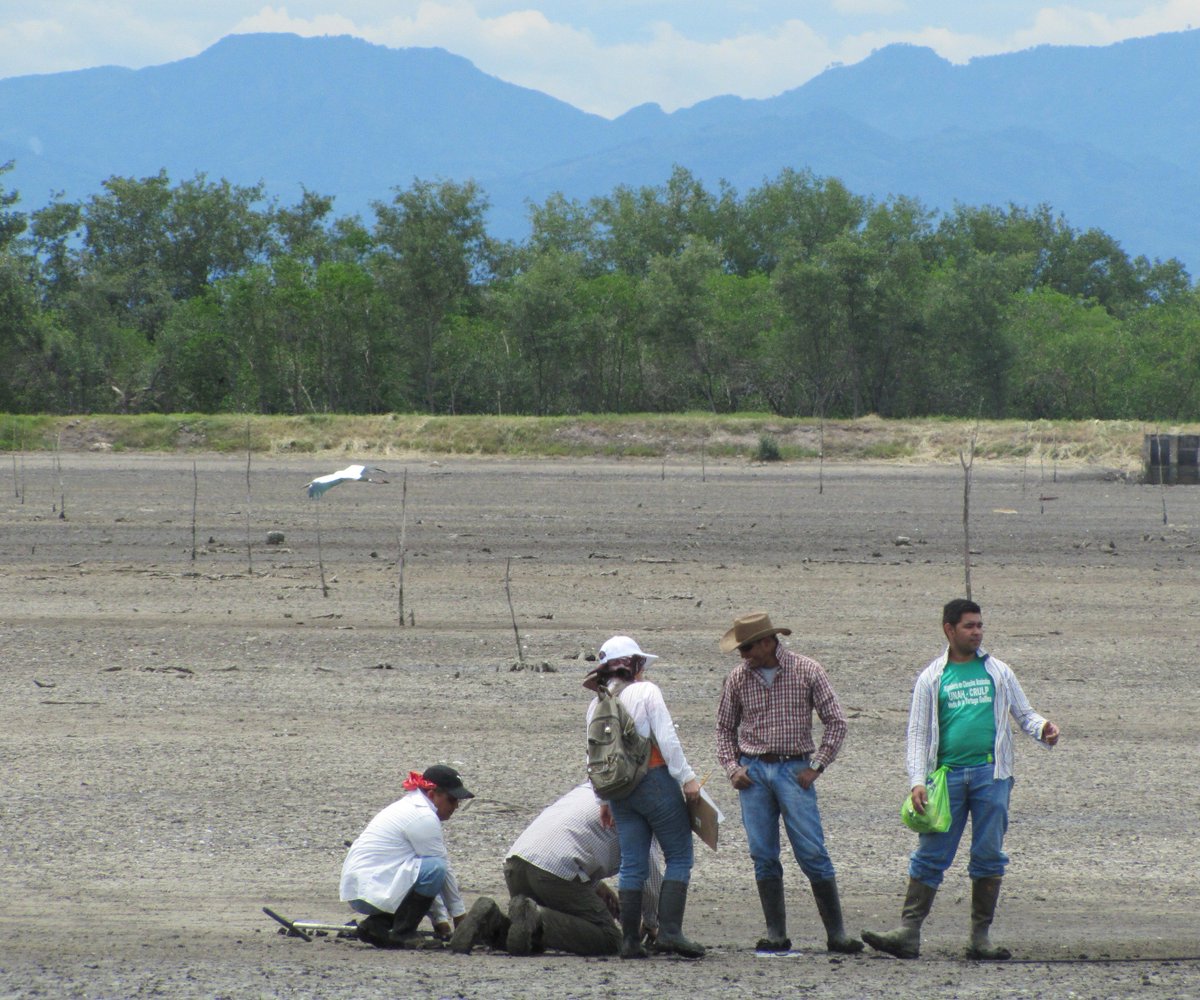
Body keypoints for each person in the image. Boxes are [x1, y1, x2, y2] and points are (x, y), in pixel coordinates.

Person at [862, 598, 1060, 961]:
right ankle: (908, 932)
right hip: (946, 778)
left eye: (980, 625)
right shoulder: (932, 677)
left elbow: (1024, 713)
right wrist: (917, 781)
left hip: (992, 775)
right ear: (949, 630)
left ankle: (979, 939)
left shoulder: (999, 671)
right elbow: (918, 734)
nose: (977, 632)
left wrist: (1043, 729)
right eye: (969, 626)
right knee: (931, 853)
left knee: (988, 854)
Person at [715, 611, 862, 954]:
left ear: (768, 642)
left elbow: (836, 723)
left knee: (812, 853)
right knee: (762, 854)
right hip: (753, 774)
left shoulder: (808, 671)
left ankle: (837, 935)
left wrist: (816, 767)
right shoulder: (737, 679)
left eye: (747, 647)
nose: (743, 654)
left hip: (794, 771)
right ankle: (776, 935)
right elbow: (724, 729)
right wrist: (733, 768)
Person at [585, 634, 705, 959]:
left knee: (633, 863)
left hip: (619, 792)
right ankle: (670, 933)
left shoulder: (595, 704)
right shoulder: (647, 691)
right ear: (635, 665)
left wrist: (603, 800)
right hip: (654, 781)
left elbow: (593, 757)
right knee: (679, 856)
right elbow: (666, 738)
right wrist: (688, 779)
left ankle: (630, 942)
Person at [448, 781, 663, 956]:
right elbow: (649, 874)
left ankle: (491, 920)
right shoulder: (643, 806)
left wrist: (594, 886)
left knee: (528, 939)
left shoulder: (593, 787)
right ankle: (538, 917)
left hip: (516, 863)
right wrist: (652, 923)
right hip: (554, 873)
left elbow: (578, 835)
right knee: (611, 940)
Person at [339, 764, 474, 948]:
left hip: (362, 888)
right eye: (452, 799)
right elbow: (440, 871)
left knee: (428, 868)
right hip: (370, 889)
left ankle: (377, 925)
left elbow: (418, 874)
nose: (456, 806)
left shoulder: (410, 806)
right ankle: (402, 933)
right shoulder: (423, 816)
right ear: (433, 795)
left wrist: (440, 920)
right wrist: (460, 918)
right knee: (436, 867)